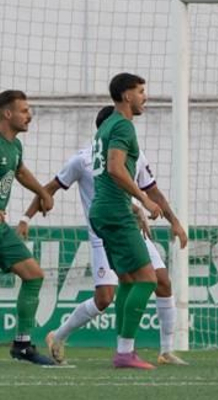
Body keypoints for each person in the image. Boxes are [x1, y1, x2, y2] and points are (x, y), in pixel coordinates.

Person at [30, 106, 190, 365]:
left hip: (129, 226)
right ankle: (60, 336)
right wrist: (27, 218)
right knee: (106, 296)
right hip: (104, 230)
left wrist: (174, 222)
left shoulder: (134, 155)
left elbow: (153, 190)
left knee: (162, 281)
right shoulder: (84, 159)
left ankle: (164, 350)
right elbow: (50, 188)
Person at [89, 73, 165, 370]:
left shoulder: (106, 126)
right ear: (125, 95)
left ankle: (123, 351)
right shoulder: (122, 125)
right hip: (115, 211)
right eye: (140, 91)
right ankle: (125, 352)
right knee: (149, 279)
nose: (145, 96)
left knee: (128, 280)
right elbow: (115, 169)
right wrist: (143, 201)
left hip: (103, 210)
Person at [0, 90, 56, 366]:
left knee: (33, 275)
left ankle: (22, 345)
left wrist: (43, 192)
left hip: (1, 229)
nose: (29, 116)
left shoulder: (14, 147)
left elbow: (19, 171)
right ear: (7, 114)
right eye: (24, 110)